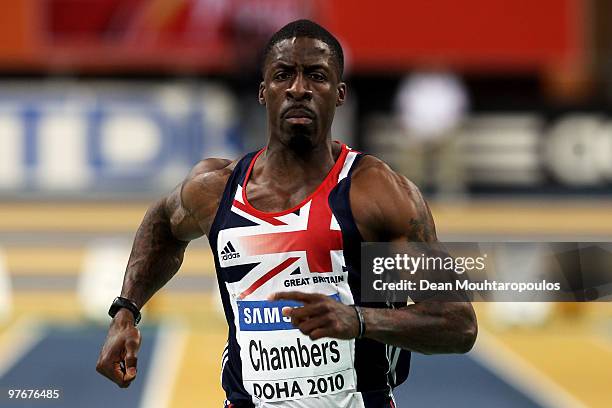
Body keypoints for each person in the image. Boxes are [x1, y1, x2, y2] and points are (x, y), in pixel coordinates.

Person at [96, 19, 477, 408]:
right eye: (283, 76)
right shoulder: (216, 190)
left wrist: (359, 321)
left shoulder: (375, 194)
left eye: (316, 76)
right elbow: (162, 225)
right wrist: (126, 311)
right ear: (263, 92)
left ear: (339, 93)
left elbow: (457, 324)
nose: (299, 89)